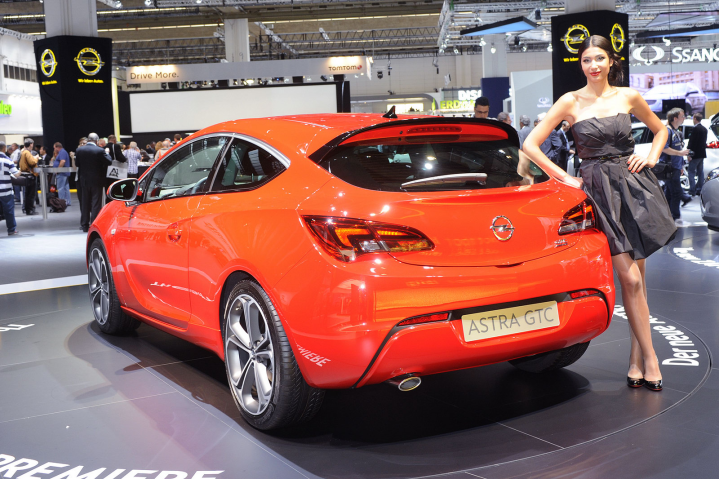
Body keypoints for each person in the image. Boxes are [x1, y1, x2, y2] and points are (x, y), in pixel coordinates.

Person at [523, 35, 676, 392]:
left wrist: (652, 156)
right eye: (586, 60)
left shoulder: (628, 96)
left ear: (611, 61)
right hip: (598, 193)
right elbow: (530, 144)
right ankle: (652, 358)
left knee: (640, 281)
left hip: (634, 188)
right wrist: (564, 177)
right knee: (631, 280)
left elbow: (661, 130)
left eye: (599, 58)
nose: (593, 65)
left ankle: (636, 359)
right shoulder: (570, 101)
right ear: (581, 64)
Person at [75, 133, 112, 232]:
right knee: (96, 203)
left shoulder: (79, 150)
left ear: (88, 140)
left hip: (84, 180)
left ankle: (84, 225)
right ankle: (94, 224)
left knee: (85, 202)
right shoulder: (100, 150)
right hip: (97, 180)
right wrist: (107, 152)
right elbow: (109, 161)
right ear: (96, 140)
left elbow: (77, 164)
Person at [661, 107, 692, 222]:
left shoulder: (676, 132)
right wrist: (680, 153)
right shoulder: (667, 131)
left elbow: (679, 149)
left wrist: (681, 165)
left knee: (670, 192)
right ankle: (675, 216)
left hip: (675, 167)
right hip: (669, 167)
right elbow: (664, 148)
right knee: (676, 192)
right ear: (675, 118)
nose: (684, 118)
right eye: (682, 116)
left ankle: (669, 216)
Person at [0, 141, 20, 235]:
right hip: (6, 190)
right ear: (4, 148)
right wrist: (20, 171)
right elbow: (16, 174)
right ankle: (11, 230)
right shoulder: (8, 160)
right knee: (9, 211)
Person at [687, 112, 707, 196]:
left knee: (691, 171)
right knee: (700, 172)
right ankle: (700, 189)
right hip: (702, 154)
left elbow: (692, 142)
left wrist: (689, 154)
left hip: (695, 154)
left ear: (695, 118)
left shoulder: (695, 129)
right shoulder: (704, 129)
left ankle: (692, 190)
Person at [18, 138, 38, 215]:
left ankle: (27, 209)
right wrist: (36, 158)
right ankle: (29, 210)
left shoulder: (23, 152)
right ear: (30, 144)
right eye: (32, 144)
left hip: (26, 175)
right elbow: (32, 162)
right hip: (30, 175)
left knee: (27, 194)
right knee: (31, 194)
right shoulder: (27, 152)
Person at [53, 142, 72, 206]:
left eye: (54, 148)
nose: (54, 149)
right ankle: (67, 202)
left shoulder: (62, 152)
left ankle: (61, 203)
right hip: (64, 173)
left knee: (60, 188)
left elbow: (62, 161)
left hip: (62, 173)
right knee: (66, 188)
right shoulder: (63, 152)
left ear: (57, 147)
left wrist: (58, 170)